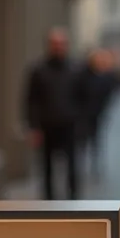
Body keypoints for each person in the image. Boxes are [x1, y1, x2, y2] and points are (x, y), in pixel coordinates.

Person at [24, 28, 86, 200]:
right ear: (49, 46)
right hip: (46, 125)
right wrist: (33, 127)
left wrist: (82, 124)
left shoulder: (76, 70)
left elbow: (84, 99)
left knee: (73, 165)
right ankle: (49, 200)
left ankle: (73, 199)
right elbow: (31, 100)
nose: (58, 47)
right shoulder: (38, 70)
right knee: (46, 166)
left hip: (70, 125)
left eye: (61, 44)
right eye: (55, 44)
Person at [78, 49, 117, 180]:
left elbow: (106, 95)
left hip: (96, 114)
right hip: (84, 114)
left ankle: (94, 167)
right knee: (83, 141)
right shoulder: (84, 77)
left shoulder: (102, 77)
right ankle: (83, 167)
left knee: (95, 141)